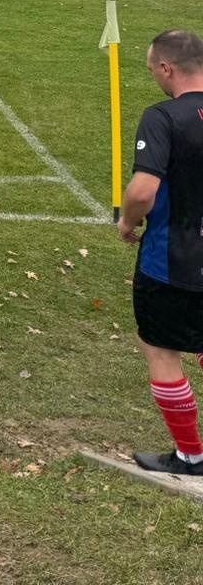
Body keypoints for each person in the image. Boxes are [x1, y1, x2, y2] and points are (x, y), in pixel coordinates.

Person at [118, 29, 203, 476]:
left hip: (172, 260)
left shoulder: (163, 117)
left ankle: (190, 455)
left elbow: (142, 190)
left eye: (152, 69)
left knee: (160, 348)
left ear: (167, 68)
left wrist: (128, 222)